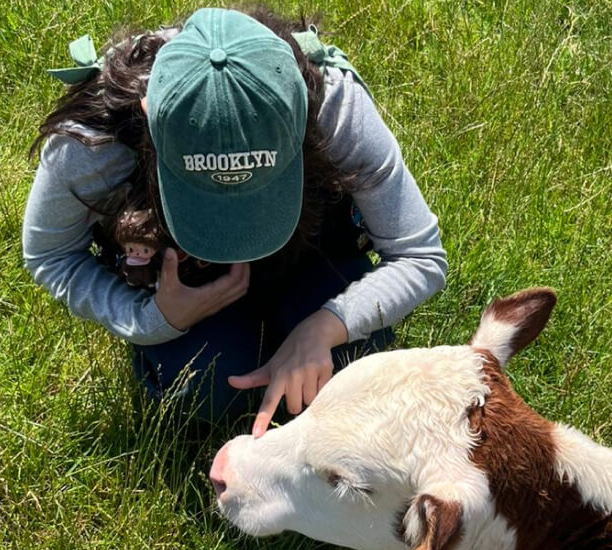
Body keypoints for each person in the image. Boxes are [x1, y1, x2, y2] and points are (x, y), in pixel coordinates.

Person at [23, 6, 446, 435]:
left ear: (300, 108)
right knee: (202, 386)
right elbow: (49, 255)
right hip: (180, 278)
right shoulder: (94, 140)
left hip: (308, 251)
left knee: (350, 367)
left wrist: (328, 327)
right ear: (148, 116)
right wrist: (153, 319)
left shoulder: (334, 103)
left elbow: (420, 255)